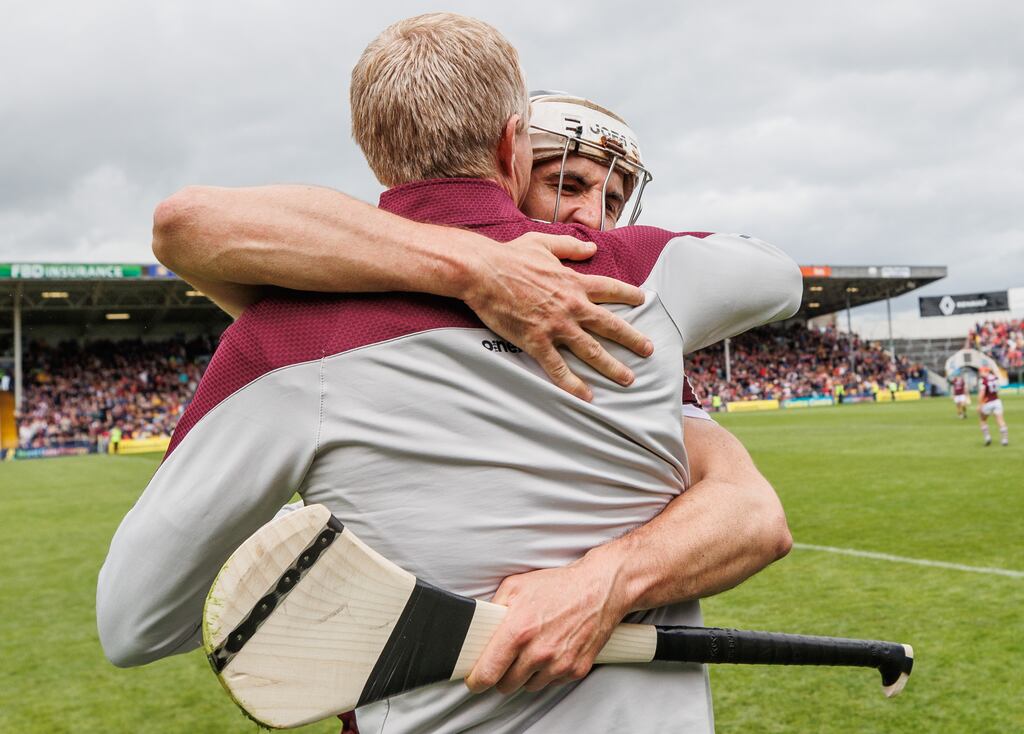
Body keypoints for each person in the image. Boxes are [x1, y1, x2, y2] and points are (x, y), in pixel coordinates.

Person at [97, 13, 802, 733]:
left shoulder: (283, 337)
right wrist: (478, 265)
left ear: (374, 155)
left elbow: (135, 626)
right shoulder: (640, 286)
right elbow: (780, 277)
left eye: (611, 201)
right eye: (569, 182)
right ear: (513, 145)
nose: (591, 218)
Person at [977, 367, 1009, 446]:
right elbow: (997, 390)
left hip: (987, 402)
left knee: (982, 419)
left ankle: (987, 437)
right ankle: (1005, 439)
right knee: (1000, 420)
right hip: (997, 401)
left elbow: (982, 393)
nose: (980, 373)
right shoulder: (995, 378)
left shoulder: (983, 380)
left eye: (981, 371)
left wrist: (979, 405)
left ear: (985, 371)